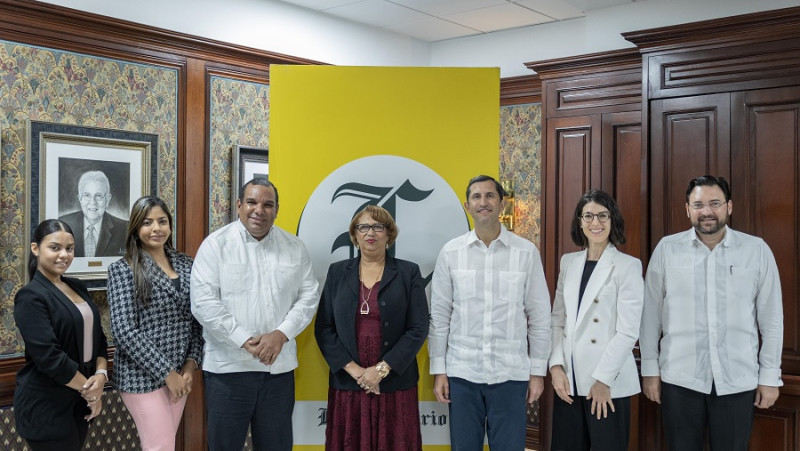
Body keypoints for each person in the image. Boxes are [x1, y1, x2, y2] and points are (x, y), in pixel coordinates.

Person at [640, 175, 783, 451]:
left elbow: (772, 320)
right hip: (680, 379)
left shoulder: (756, 251)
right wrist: (650, 371)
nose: (706, 211)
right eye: (698, 204)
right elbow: (650, 317)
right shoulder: (667, 250)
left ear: (729, 206)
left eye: (715, 203)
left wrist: (770, 376)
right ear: (687, 209)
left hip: (737, 381)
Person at [190, 178, 320, 451]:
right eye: (251, 202)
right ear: (239, 205)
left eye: (267, 204)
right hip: (228, 373)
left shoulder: (295, 247)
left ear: (276, 210)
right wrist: (243, 339)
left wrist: (280, 335)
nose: (258, 210)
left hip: (278, 373)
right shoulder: (216, 246)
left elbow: (309, 297)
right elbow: (204, 303)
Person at [429, 174, 551, 450]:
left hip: (510, 374)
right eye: (476, 197)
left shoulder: (525, 252)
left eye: (490, 196)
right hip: (462, 372)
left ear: (502, 204)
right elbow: (439, 315)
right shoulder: (451, 253)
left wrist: (537, 371)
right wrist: (440, 370)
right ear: (467, 206)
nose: (483, 202)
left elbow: (540, 315)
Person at [315, 205, 429, 450]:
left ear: (389, 235)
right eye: (363, 227)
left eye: (379, 227)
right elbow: (324, 327)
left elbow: (418, 327)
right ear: (354, 235)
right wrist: (357, 372)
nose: (371, 233)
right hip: (349, 384)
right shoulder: (337, 273)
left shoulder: (408, 272)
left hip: (394, 384)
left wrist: (380, 370)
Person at [107, 196, 204, 451]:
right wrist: (167, 373)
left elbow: (197, 320)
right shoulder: (122, 269)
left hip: (181, 375)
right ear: (136, 228)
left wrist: (189, 367)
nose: (156, 228)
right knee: (160, 447)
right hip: (142, 377)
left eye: (162, 221)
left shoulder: (186, 263)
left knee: (163, 445)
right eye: (147, 222)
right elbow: (124, 331)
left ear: (170, 226)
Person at [549, 190, 643, 451]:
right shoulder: (568, 262)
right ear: (579, 221)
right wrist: (556, 367)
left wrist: (603, 380)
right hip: (568, 381)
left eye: (603, 215)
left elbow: (627, 332)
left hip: (606, 384)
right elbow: (557, 319)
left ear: (612, 220)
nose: (596, 223)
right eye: (588, 216)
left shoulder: (628, 266)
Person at [13, 219, 109, 451]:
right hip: (47, 406)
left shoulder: (77, 287)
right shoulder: (30, 296)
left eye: (69, 248)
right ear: (36, 249)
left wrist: (102, 374)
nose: (63, 255)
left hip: (78, 402)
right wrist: (91, 393)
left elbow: (99, 340)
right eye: (54, 248)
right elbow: (49, 358)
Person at [60, 170, 127, 257]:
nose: (92, 202)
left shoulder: (124, 229)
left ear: (108, 200)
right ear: (80, 199)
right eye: (87, 195)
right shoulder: (63, 224)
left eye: (98, 195)